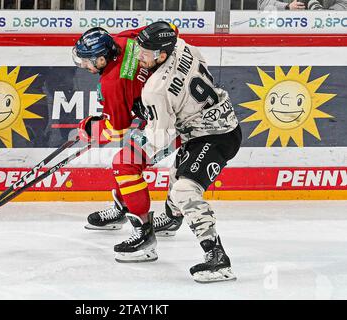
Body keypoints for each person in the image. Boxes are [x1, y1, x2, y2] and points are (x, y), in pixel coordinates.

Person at [133, 21, 242, 282]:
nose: (140, 57)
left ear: (160, 55)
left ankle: (217, 258)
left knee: (184, 189)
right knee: (177, 177)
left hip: (214, 138)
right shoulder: (183, 47)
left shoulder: (154, 90)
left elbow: (158, 138)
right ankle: (172, 218)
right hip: (220, 125)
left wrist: (144, 123)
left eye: (145, 53)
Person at [72, 27, 183, 262]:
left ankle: (145, 235)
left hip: (173, 122)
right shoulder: (123, 39)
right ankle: (124, 208)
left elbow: (117, 128)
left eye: (87, 61)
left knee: (124, 164)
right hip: (171, 105)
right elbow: (170, 30)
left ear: (102, 58)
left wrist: (91, 129)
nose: (85, 66)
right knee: (126, 157)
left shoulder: (112, 83)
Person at [259, 0, 347, 10]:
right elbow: (263, 3)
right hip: (286, 29)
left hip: (322, 29)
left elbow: (344, 3)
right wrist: (287, 6)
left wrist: (327, 14)